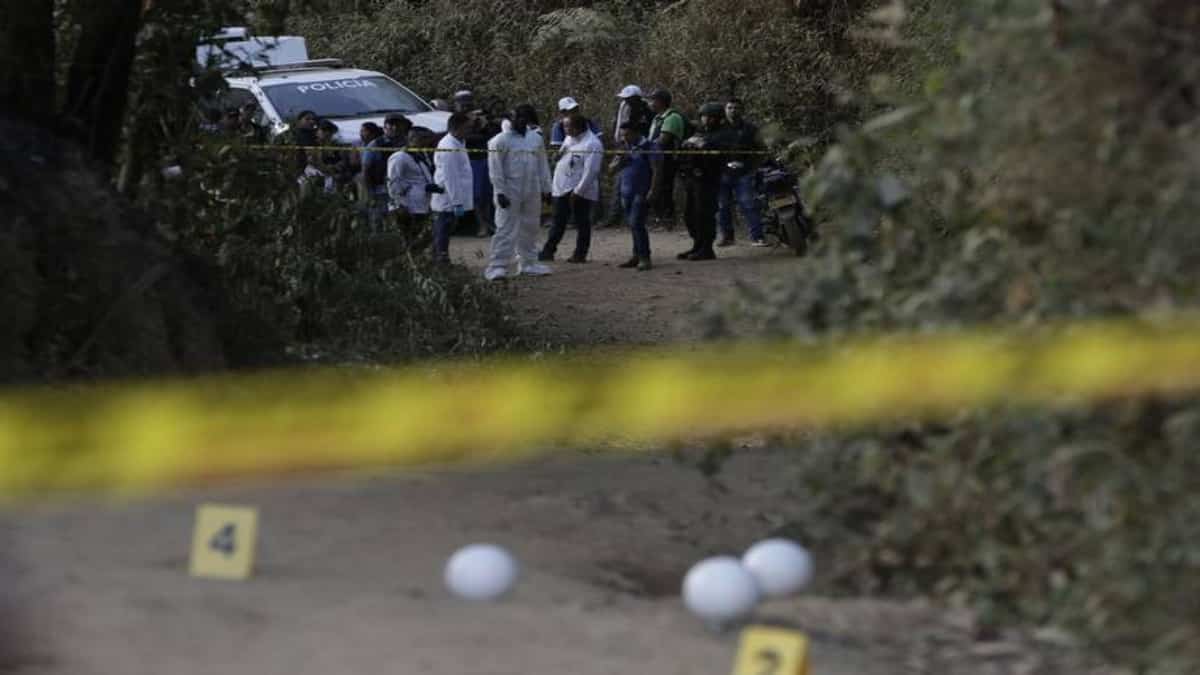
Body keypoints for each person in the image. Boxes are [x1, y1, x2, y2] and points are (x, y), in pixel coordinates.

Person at [485, 103, 553, 281]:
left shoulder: (535, 139)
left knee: (530, 226)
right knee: (505, 227)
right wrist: (500, 192)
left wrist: (547, 188)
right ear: (510, 118)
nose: (521, 121)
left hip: (532, 188)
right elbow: (495, 170)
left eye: (524, 118)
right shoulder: (499, 141)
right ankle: (497, 266)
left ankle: (528, 263)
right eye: (517, 117)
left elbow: (542, 164)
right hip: (509, 190)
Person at [540, 114, 604, 263]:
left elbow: (592, 171)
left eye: (568, 126)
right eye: (565, 126)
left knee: (582, 222)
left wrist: (579, 191)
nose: (565, 129)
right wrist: (557, 156)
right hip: (562, 185)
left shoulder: (592, 144)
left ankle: (580, 254)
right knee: (558, 221)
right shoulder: (569, 138)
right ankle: (548, 251)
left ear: (578, 127)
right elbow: (563, 152)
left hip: (579, 190)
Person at [677, 102, 729, 261]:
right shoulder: (700, 132)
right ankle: (697, 245)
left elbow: (723, 154)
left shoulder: (723, 134)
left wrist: (704, 145)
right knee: (689, 214)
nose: (705, 120)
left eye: (709, 117)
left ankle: (707, 248)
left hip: (708, 178)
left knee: (704, 214)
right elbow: (687, 146)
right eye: (703, 116)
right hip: (692, 177)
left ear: (717, 118)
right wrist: (687, 144)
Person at [611, 121, 662, 271]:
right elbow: (611, 169)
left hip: (642, 191)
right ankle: (637, 255)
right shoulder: (624, 148)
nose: (624, 137)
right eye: (622, 135)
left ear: (636, 133)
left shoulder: (650, 147)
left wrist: (653, 190)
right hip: (626, 191)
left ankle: (645, 257)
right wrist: (620, 160)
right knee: (632, 225)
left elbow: (657, 170)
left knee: (637, 223)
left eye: (627, 134)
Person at [717, 97, 767, 247]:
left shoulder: (751, 129)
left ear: (742, 110)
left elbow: (762, 150)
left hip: (744, 173)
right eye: (730, 107)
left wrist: (752, 167)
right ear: (725, 110)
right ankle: (727, 237)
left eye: (736, 108)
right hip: (722, 173)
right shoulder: (718, 128)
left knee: (749, 204)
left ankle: (757, 237)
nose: (733, 110)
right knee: (722, 206)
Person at [431, 113, 475, 264]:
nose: (470, 130)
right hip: (448, 198)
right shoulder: (448, 146)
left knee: (447, 231)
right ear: (458, 127)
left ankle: (442, 259)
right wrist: (457, 202)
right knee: (442, 231)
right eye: (467, 127)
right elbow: (451, 177)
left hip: (455, 196)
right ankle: (440, 261)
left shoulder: (459, 142)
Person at [388, 126, 437, 247]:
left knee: (420, 239)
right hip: (407, 205)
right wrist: (398, 204)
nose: (428, 142)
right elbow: (393, 181)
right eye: (424, 138)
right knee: (408, 239)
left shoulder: (421, 154)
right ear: (414, 139)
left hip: (422, 204)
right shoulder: (400, 157)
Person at [647, 89, 687, 221]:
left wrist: (646, 146)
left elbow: (663, 141)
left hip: (667, 159)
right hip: (656, 158)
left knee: (665, 187)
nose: (650, 103)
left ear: (660, 102)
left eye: (652, 100)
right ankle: (660, 216)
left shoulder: (672, 117)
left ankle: (668, 218)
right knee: (657, 187)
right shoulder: (657, 118)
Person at [465, 108, 502, 237]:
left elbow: (494, 139)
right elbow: (467, 139)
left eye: (481, 115)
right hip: (474, 163)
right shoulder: (467, 128)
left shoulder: (492, 127)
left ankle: (492, 223)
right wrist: (476, 127)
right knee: (477, 196)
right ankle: (482, 224)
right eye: (475, 115)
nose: (478, 118)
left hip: (489, 161)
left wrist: (486, 126)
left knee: (490, 194)